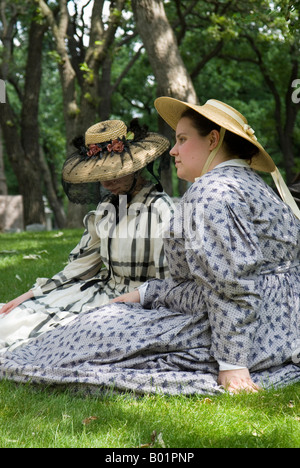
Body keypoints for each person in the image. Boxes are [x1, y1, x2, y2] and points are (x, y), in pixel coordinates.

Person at [0, 98, 300, 396]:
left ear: (212, 140)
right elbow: (212, 282)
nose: (174, 150)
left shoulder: (212, 194)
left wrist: (233, 364)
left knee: (95, 332)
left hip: (252, 332)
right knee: (90, 324)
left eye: (182, 140)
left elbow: (231, 286)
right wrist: (143, 294)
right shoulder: (244, 181)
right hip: (278, 324)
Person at [0, 119, 174, 352]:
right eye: (100, 173)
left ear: (136, 167)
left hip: (140, 305)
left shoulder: (161, 210)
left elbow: (170, 283)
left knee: (66, 336)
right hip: (102, 292)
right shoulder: (107, 209)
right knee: (19, 319)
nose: (106, 181)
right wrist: (29, 295)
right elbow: (82, 266)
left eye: (114, 171)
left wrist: (122, 304)